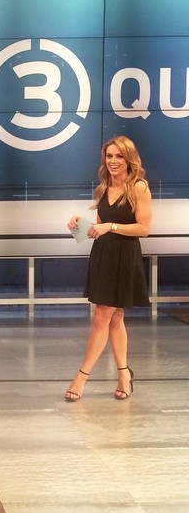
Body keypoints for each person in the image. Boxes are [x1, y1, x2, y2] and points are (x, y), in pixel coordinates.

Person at [64, 136, 152, 402]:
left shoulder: (139, 187)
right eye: (109, 156)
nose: (113, 161)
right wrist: (81, 224)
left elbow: (143, 228)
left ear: (129, 159)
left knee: (102, 317)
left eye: (119, 156)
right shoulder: (103, 188)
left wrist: (109, 226)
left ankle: (81, 376)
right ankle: (124, 374)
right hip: (103, 255)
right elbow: (99, 228)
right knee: (115, 318)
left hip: (125, 257)